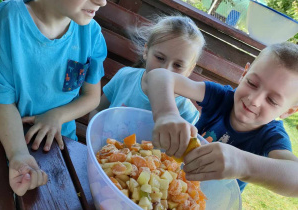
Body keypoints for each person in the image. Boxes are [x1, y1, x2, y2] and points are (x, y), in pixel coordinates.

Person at [146, 42, 298, 197]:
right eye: (252, 83)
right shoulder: (220, 98)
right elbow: (158, 76)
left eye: (272, 100)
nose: (254, 100)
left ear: (289, 111)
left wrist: (243, 164)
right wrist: (167, 113)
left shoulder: (272, 136)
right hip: (170, 186)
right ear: (244, 74)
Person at [0, 0, 107, 196]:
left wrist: (56, 116)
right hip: (8, 140)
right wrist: (19, 154)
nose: (102, 2)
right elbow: (2, 101)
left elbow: (92, 97)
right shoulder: (9, 19)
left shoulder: (91, 34)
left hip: (59, 148)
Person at [90, 15, 205, 125]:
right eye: (160, 58)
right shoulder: (125, 77)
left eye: (178, 65)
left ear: (190, 69)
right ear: (146, 51)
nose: (166, 70)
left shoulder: (187, 113)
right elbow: (97, 111)